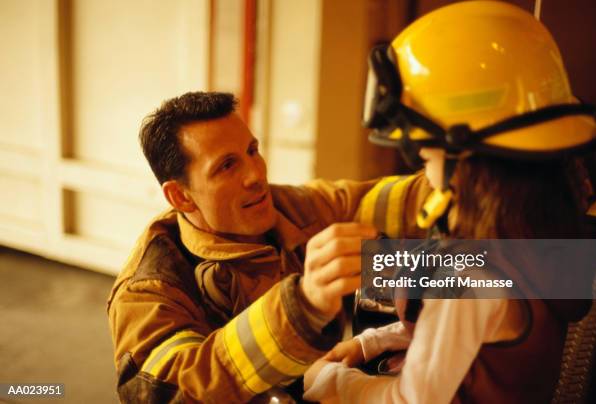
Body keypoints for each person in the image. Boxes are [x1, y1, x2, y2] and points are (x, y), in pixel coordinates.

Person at [303, 1, 596, 403]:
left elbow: (412, 400)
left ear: (467, 164)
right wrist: (373, 342)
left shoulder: (468, 279)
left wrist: (327, 380)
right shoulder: (537, 238)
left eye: (426, 158)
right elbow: (474, 331)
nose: (424, 175)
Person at [106, 91, 433, 403]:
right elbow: (172, 392)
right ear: (180, 196)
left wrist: (451, 166)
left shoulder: (290, 206)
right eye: (227, 166)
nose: (256, 175)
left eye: (252, 150)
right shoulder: (146, 290)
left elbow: (391, 201)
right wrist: (300, 307)